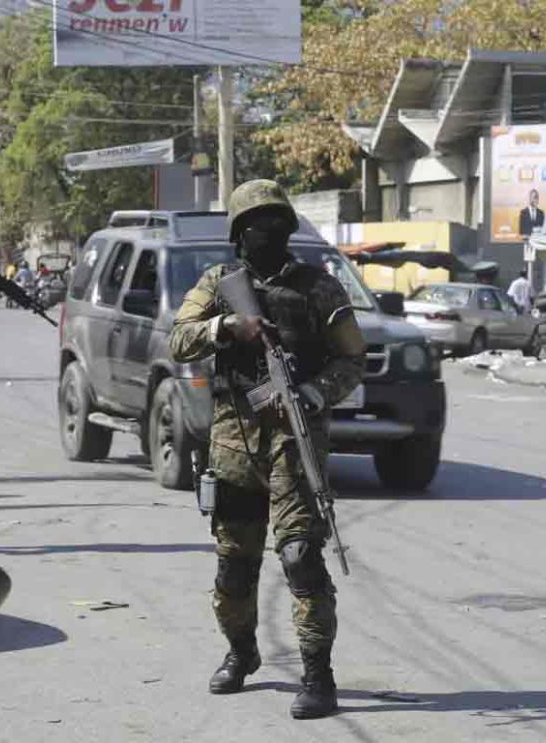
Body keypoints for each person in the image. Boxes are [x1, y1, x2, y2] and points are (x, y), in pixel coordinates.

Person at [168, 179, 367, 719]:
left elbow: (353, 359)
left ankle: (318, 675)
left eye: (277, 223)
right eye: (257, 225)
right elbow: (177, 337)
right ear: (238, 233)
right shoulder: (217, 282)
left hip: (293, 437)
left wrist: (313, 392)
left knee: (301, 556)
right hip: (233, 437)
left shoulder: (318, 288)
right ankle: (241, 652)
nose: (268, 233)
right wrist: (225, 326)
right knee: (234, 562)